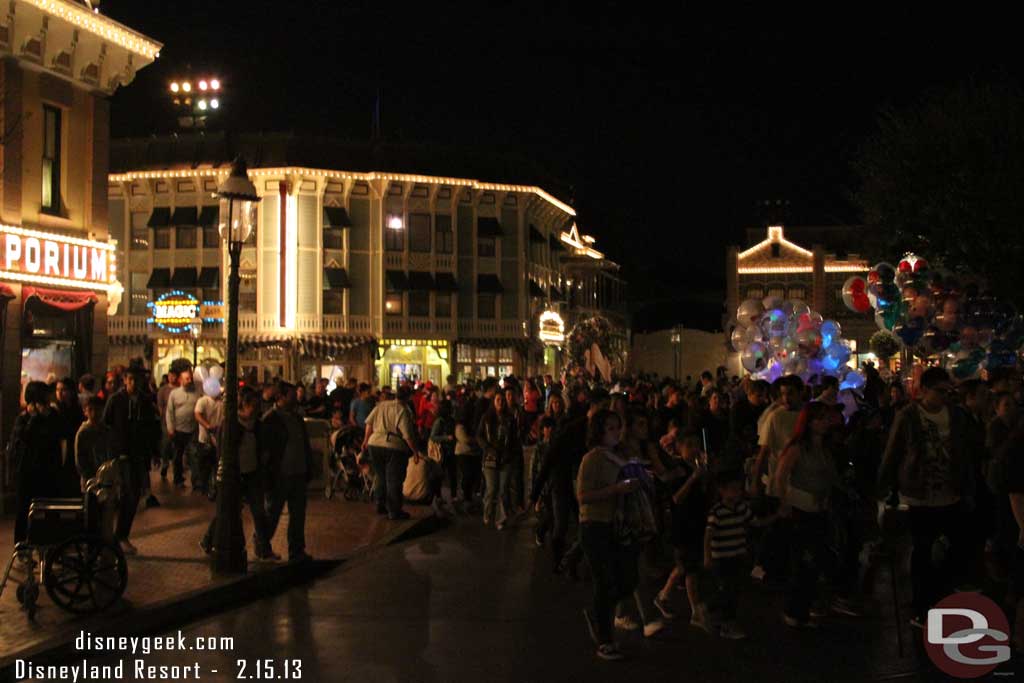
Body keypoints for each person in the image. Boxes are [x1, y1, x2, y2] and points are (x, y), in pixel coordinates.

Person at [879, 366, 972, 628]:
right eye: (940, 391)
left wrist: (967, 485)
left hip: (950, 490)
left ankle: (940, 590)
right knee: (923, 548)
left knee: (959, 545)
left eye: (948, 391)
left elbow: (963, 452)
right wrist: (886, 487)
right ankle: (922, 605)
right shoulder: (908, 415)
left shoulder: (955, 415)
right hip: (920, 491)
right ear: (925, 390)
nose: (945, 396)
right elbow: (893, 451)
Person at [577, 409, 641, 661]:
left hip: (617, 525)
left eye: (618, 426)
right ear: (599, 431)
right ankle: (604, 638)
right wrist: (616, 489)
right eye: (611, 428)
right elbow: (582, 496)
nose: (616, 432)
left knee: (627, 578)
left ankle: (598, 614)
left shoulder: (618, 456)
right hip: (594, 525)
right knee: (605, 582)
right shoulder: (592, 459)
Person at [774, 401, 841, 628]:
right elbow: (780, 476)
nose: (824, 423)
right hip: (801, 509)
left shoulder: (825, 448)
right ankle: (795, 608)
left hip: (819, 507)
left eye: (826, 418)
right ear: (809, 422)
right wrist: (784, 503)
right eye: (819, 418)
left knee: (816, 559)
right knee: (804, 560)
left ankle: (806, 605)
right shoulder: (798, 448)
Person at [201, 388, 279, 561]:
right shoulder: (230, 424)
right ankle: (208, 540)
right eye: (253, 405)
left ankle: (264, 549)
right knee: (228, 509)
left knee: (258, 512)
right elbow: (222, 450)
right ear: (244, 404)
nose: (256, 409)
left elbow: (261, 445)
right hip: (236, 475)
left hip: (252, 473)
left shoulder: (256, 424)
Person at [654, 431, 711, 630]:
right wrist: (694, 478)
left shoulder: (697, 467)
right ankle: (695, 610)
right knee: (690, 568)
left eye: (696, 445)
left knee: (684, 565)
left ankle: (663, 596)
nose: (694, 449)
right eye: (689, 445)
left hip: (695, 521)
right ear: (679, 447)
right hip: (682, 524)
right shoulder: (678, 469)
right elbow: (676, 498)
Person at [704, 470, 768, 640]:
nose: (737, 493)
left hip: (737, 555)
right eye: (732, 489)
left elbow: (756, 522)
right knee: (728, 589)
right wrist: (708, 556)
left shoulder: (741, 508)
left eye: (738, 490)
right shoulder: (716, 512)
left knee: (733, 588)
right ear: (722, 491)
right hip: (722, 558)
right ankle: (726, 623)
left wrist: (775, 517)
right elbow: (708, 535)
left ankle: (715, 612)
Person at [102, 367, 159, 555]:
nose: (134, 384)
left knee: (133, 494)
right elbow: (106, 424)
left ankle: (121, 534)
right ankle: (117, 535)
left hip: (139, 454)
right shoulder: (116, 400)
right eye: (131, 380)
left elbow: (151, 427)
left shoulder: (144, 400)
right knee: (127, 493)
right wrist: (113, 450)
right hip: (121, 455)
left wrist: (154, 452)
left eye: (138, 380)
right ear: (125, 380)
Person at [262, 383, 315, 562]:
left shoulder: (296, 417)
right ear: (281, 397)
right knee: (273, 513)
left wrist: (308, 466)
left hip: (298, 472)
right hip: (280, 474)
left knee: (298, 515)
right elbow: (266, 449)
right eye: (292, 395)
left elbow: (304, 443)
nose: (295, 399)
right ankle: (262, 545)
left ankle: (297, 550)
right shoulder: (270, 419)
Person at [9, 381, 62, 543]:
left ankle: (44, 543)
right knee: (23, 509)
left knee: (46, 509)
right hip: (26, 472)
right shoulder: (23, 419)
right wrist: (33, 418)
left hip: (47, 471)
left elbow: (57, 438)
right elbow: (22, 439)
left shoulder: (52, 416)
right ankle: (21, 546)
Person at [361, 385, 420, 520]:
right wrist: (415, 452)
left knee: (380, 476)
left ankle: (379, 504)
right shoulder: (402, 410)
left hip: (374, 443)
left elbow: (369, 424)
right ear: (408, 397)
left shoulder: (381, 405)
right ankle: (394, 511)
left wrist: (365, 441)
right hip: (394, 446)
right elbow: (407, 435)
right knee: (394, 479)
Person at [479, 392, 523, 530]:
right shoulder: (486, 418)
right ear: (494, 402)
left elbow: (515, 439)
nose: (501, 402)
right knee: (492, 488)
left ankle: (500, 519)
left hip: (505, 458)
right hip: (490, 458)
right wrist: (487, 448)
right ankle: (487, 512)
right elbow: (479, 436)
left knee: (503, 489)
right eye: (498, 400)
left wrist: (512, 453)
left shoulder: (509, 419)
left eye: (503, 400)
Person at [166, 368, 200, 488]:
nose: (190, 380)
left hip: (192, 430)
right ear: (181, 380)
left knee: (194, 455)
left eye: (190, 378)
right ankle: (178, 479)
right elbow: (169, 412)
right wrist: (170, 428)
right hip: (178, 431)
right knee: (178, 456)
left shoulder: (196, 393)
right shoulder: (174, 394)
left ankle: (196, 481)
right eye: (187, 378)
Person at [54, 376, 86, 497]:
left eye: (63, 390)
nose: (60, 393)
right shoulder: (55, 409)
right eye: (57, 390)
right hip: (60, 450)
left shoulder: (77, 410)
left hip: (74, 449)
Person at [193, 381, 224, 494]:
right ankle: (205, 486)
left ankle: (213, 487)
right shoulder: (203, 401)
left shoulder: (221, 402)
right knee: (205, 465)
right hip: (205, 438)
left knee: (216, 464)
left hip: (218, 438)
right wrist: (208, 426)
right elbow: (197, 414)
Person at [75, 396, 111, 491]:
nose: (94, 413)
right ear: (85, 411)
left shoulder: (106, 430)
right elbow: (80, 459)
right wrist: (89, 475)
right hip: (89, 480)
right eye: (90, 410)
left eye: (98, 409)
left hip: (106, 478)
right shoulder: (83, 432)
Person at [429, 399, 457, 509]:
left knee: (452, 474)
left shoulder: (451, 420)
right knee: (440, 475)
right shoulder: (439, 421)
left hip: (450, 451)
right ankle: (439, 496)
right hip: (442, 452)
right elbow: (433, 436)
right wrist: (446, 438)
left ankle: (453, 495)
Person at [156, 368, 179, 480]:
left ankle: (176, 469)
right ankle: (165, 463)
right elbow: (160, 405)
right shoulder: (163, 390)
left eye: (174, 375)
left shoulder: (180, 389)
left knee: (176, 446)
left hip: (178, 422)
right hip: (166, 421)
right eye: (170, 375)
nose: (171, 377)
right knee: (166, 444)